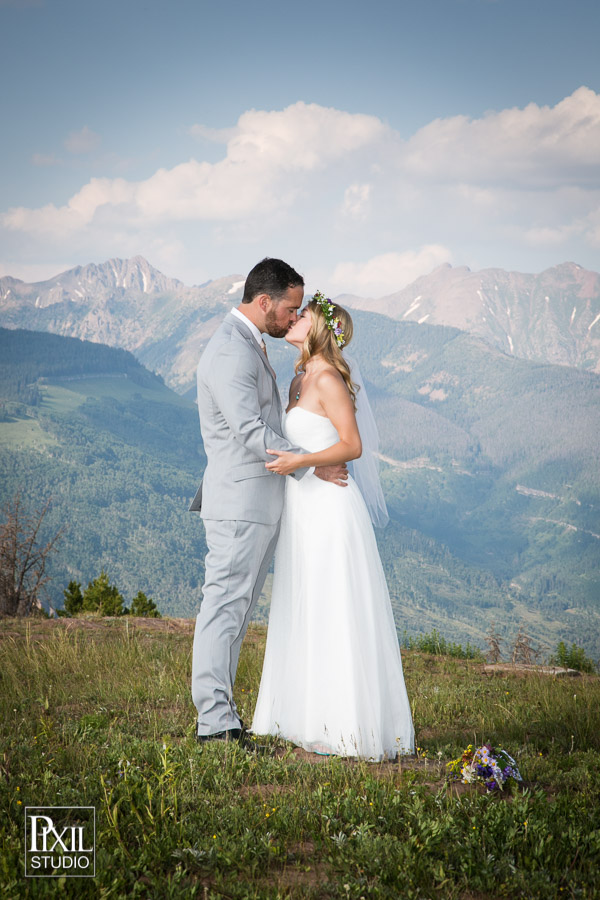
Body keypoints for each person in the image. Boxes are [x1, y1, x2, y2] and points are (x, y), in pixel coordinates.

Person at [190, 259, 348, 744]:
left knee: (233, 612)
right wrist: (312, 462)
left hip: (254, 504)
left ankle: (223, 718)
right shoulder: (231, 352)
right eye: (290, 308)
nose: (292, 317)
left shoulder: (246, 344)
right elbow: (250, 430)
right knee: (223, 609)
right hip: (240, 503)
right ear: (265, 302)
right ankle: (214, 725)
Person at [251, 294, 415, 760]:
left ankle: (346, 723)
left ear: (321, 328)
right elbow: (297, 440)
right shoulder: (299, 378)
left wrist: (306, 460)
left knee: (333, 605)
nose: (295, 318)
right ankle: (302, 716)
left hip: (332, 510)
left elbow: (352, 445)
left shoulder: (327, 378)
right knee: (303, 602)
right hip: (303, 504)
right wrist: (307, 466)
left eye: (303, 315)